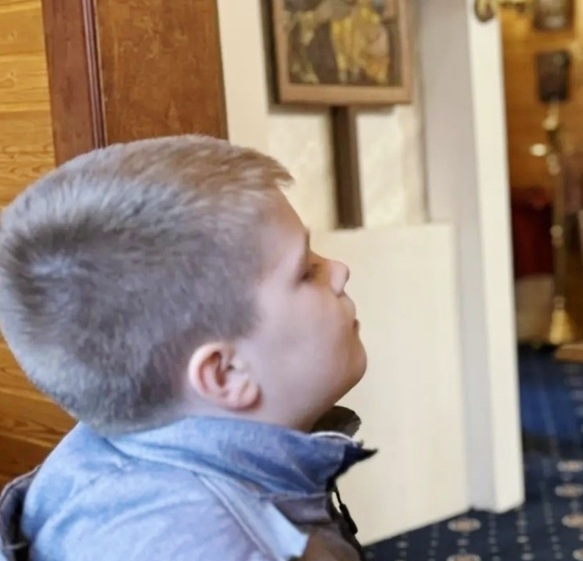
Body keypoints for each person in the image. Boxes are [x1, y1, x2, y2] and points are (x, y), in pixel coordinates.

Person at [0, 135, 372, 561]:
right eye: (306, 271)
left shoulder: (122, 442)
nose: (339, 270)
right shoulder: (216, 547)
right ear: (226, 373)